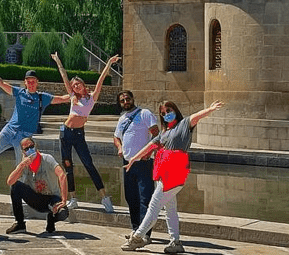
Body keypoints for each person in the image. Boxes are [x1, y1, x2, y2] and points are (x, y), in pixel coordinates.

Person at [122, 100, 224, 253]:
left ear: (175, 110)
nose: (166, 114)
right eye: (163, 113)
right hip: (164, 174)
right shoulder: (164, 132)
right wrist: (133, 159)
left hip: (174, 174)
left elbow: (196, 117)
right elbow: (150, 146)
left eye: (168, 110)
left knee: (153, 206)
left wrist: (209, 109)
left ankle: (137, 237)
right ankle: (175, 242)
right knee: (170, 209)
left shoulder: (184, 125)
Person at [0, 59, 69, 184]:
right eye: (28, 81)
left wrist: (82, 94)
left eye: (33, 81)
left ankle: (19, 191)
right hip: (9, 130)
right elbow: (1, 83)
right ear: (25, 82)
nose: (31, 83)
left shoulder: (43, 97)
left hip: (25, 137)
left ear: (37, 82)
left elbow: (63, 99)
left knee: (20, 165)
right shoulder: (19, 92)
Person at [50, 51, 120, 212]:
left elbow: (101, 79)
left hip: (79, 134)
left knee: (88, 164)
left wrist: (109, 63)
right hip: (65, 133)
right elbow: (64, 77)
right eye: (74, 85)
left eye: (77, 84)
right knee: (68, 165)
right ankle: (73, 198)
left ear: (83, 84)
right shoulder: (73, 97)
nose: (75, 86)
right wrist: (58, 61)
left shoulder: (92, 97)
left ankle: (104, 197)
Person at [113, 90, 159, 240]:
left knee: (145, 198)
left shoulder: (144, 113)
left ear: (133, 99)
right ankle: (135, 229)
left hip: (144, 163)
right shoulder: (122, 119)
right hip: (127, 163)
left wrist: (147, 153)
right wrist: (120, 148)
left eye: (127, 99)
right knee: (131, 197)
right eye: (122, 100)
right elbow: (116, 137)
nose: (126, 102)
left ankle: (145, 233)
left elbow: (156, 134)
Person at [5, 136, 70, 235]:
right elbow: (10, 181)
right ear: (23, 152)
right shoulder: (24, 164)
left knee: (63, 213)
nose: (30, 150)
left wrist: (64, 199)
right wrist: (21, 165)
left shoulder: (47, 159)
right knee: (16, 186)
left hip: (52, 198)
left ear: (35, 146)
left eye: (31, 146)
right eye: (26, 149)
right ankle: (20, 223)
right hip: (35, 198)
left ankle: (51, 219)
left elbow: (62, 175)